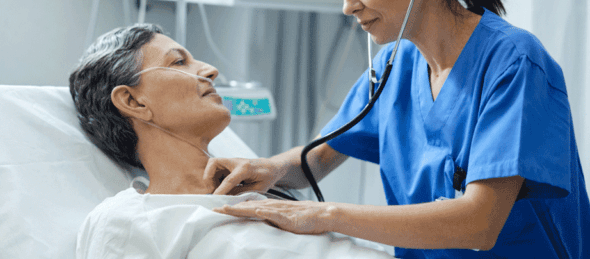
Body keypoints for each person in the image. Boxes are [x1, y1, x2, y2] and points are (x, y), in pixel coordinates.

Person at [207, 0, 590, 258]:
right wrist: (266, 168)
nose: (347, 5)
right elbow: (317, 160)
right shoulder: (396, 67)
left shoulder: (514, 63)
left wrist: (324, 216)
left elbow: (480, 221)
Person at [69, 24, 393, 258]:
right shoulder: (128, 220)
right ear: (134, 102)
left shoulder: (267, 200)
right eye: (178, 62)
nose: (210, 70)